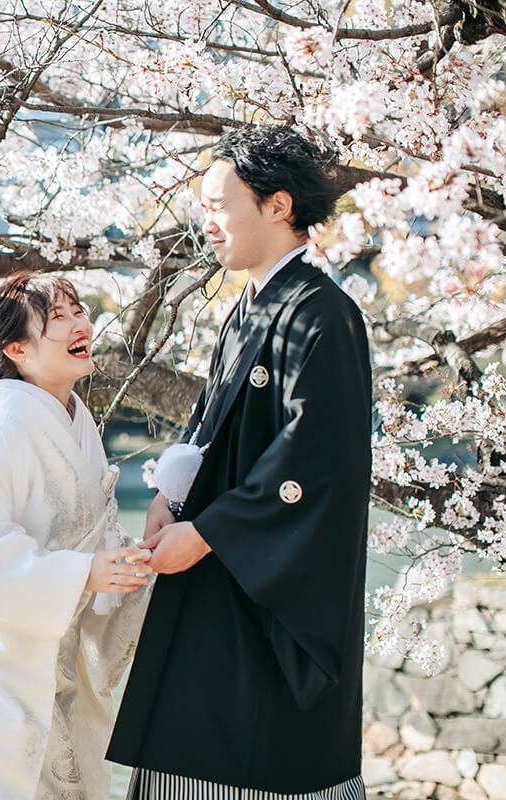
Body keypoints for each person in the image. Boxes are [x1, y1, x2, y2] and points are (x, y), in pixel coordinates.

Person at [107, 126, 372, 799]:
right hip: (219, 569)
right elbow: (207, 427)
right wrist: (170, 497)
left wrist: (205, 534)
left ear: (277, 206)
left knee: (244, 752)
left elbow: (313, 465)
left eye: (220, 205)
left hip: (261, 587)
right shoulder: (248, 311)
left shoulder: (323, 314)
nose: (209, 223)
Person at [0, 272, 154, 800]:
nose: (80, 322)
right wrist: (83, 573)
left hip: (55, 660)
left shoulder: (77, 431)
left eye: (79, 309)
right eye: (58, 317)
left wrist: (135, 562)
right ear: (17, 348)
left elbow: (98, 536)